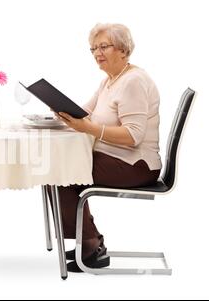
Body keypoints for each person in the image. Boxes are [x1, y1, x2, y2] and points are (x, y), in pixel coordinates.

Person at [53, 23, 162, 272]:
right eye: (93, 48)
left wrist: (87, 128)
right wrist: (58, 112)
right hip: (116, 158)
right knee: (58, 168)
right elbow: (86, 112)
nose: (97, 53)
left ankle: (91, 244)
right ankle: (87, 238)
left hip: (137, 165)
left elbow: (133, 136)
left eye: (103, 46)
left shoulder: (133, 81)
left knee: (61, 172)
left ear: (123, 49)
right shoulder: (110, 80)